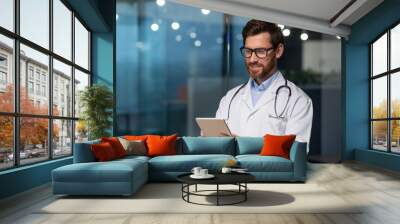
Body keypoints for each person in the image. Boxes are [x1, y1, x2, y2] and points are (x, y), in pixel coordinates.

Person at [215, 19, 313, 143]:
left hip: (269, 164)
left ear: (278, 51)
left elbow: (296, 153)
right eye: (248, 51)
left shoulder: (298, 101)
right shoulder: (230, 98)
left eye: (260, 51)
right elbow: (217, 146)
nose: (252, 59)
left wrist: (245, 146)